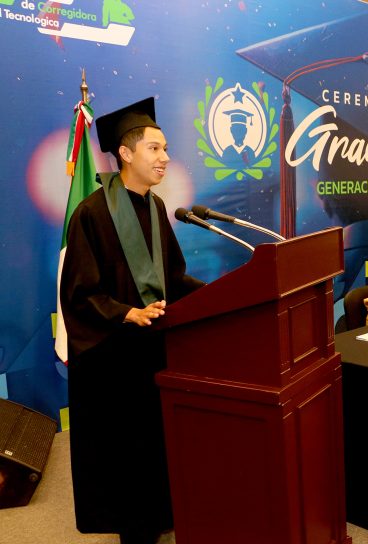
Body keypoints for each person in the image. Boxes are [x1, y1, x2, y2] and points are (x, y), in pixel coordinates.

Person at [60, 97, 205, 544]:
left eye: (166, 149)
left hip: (154, 349)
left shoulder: (156, 207)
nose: (165, 158)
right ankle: (134, 528)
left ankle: (159, 514)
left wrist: (219, 293)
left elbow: (172, 277)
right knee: (127, 449)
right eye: (154, 149)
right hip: (113, 357)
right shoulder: (92, 213)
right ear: (125, 153)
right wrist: (127, 312)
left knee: (157, 441)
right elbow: (80, 293)